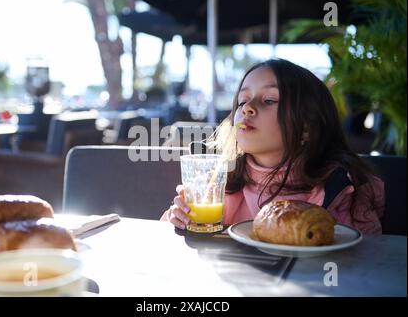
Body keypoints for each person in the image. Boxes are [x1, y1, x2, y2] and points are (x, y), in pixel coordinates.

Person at [161, 59, 384, 234]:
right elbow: (166, 246)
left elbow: (361, 263)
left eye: (269, 100)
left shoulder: (339, 191)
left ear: (306, 127)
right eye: (242, 100)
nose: (247, 108)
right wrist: (178, 219)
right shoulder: (221, 181)